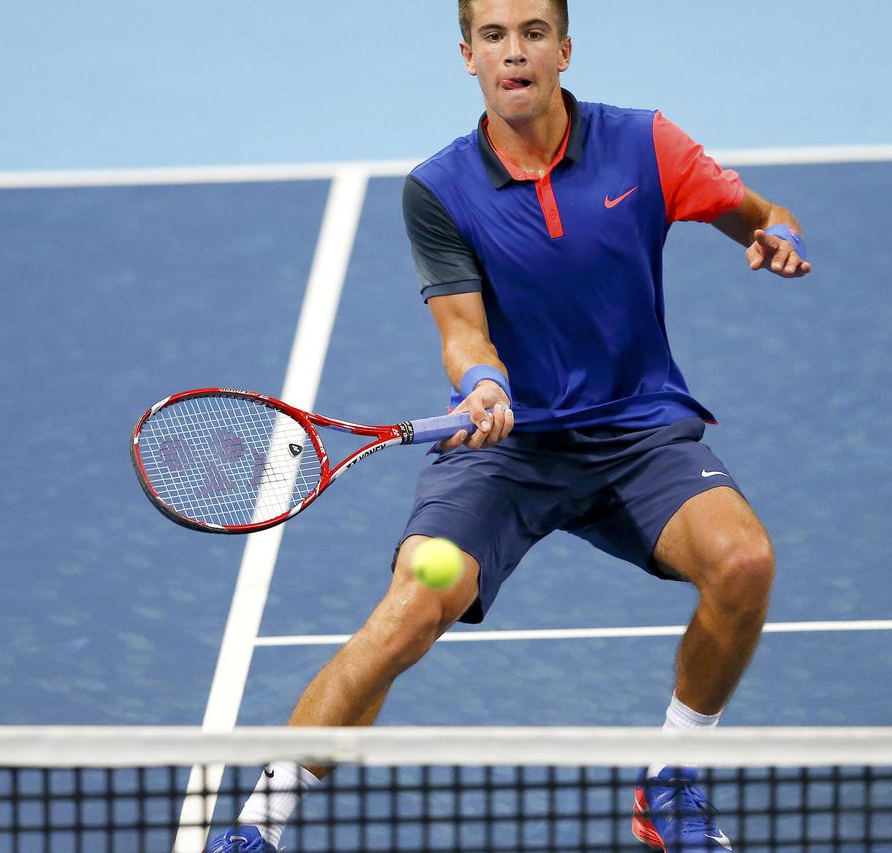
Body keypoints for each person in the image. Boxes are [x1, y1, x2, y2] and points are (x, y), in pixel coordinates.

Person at [208, 1, 810, 850]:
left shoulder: (646, 145)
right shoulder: (440, 188)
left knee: (744, 561)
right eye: (494, 36)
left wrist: (775, 234)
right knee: (411, 609)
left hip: (636, 435)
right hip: (509, 446)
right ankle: (257, 826)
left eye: (533, 33)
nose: (514, 52)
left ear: (564, 49)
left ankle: (671, 779)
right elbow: (462, 330)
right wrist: (484, 384)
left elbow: (758, 211)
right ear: (468, 56)